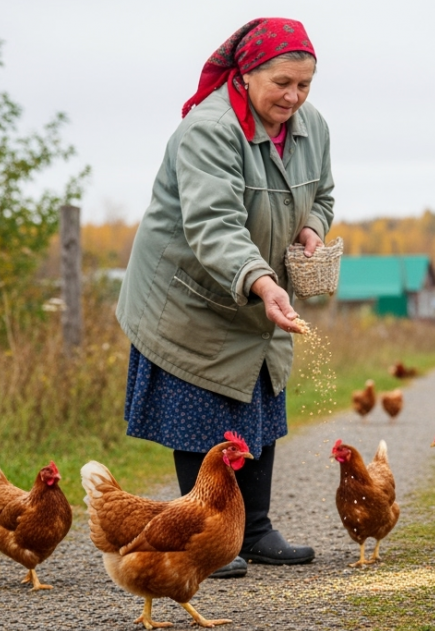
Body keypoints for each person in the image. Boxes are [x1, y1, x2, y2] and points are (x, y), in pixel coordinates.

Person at [115, 17, 332, 578]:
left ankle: (253, 531)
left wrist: (311, 229)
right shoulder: (210, 130)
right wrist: (263, 282)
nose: (294, 96)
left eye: (304, 85)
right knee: (203, 407)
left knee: (257, 398)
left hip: (256, 290)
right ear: (248, 73)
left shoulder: (312, 127)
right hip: (190, 294)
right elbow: (214, 225)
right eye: (282, 82)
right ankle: (205, 537)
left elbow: (322, 196)